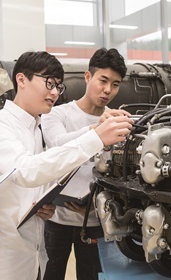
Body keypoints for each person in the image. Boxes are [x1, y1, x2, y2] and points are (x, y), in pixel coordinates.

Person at [0, 51, 133, 280]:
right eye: (49, 84)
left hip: (31, 252)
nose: (54, 92)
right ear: (21, 80)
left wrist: (41, 204)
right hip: (0, 258)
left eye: (58, 86)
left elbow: (35, 176)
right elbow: (26, 171)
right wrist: (96, 136)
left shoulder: (33, 127)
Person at [41, 48, 127, 280]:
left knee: (92, 276)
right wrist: (96, 129)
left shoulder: (116, 121)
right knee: (51, 273)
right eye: (103, 80)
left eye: (116, 84)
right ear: (88, 77)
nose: (108, 90)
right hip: (57, 218)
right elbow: (58, 145)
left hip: (95, 220)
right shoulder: (56, 114)